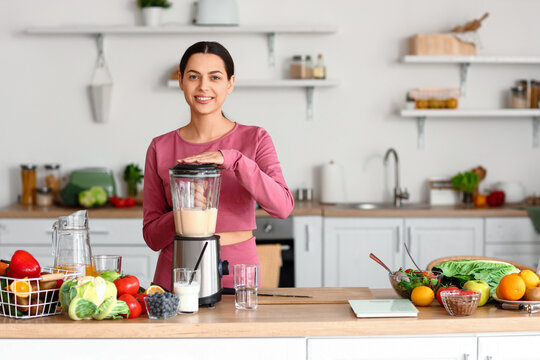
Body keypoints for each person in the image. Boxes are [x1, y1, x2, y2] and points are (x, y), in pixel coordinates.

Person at [142, 41, 294, 291]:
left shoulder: (255, 139)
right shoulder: (160, 147)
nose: (204, 86)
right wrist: (185, 210)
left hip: (237, 276)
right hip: (176, 275)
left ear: (230, 83)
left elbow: (282, 207)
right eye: (193, 76)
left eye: (215, 77)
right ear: (181, 81)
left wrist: (235, 160)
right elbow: (152, 237)